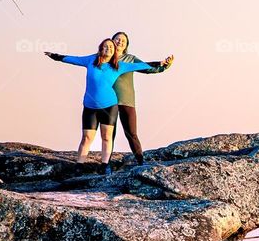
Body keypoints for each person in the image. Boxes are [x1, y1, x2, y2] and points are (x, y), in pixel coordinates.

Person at [44, 39, 156, 175]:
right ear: (101, 49)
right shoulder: (91, 60)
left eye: (111, 47)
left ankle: (105, 165)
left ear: (114, 51)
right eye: (105, 46)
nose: (108, 49)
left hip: (109, 106)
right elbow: (74, 59)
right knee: (86, 138)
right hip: (90, 106)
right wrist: (55, 56)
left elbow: (142, 66)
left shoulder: (118, 65)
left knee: (107, 137)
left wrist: (161, 64)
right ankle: (79, 166)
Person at [109, 30, 174, 164]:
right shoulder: (104, 58)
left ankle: (140, 163)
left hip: (127, 100)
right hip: (108, 100)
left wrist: (164, 67)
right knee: (109, 134)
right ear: (112, 40)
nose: (120, 42)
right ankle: (106, 165)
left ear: (126, 45)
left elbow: (146, 68)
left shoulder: (130, 59)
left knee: (131, 133)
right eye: (117, 39)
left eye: (123, 41)